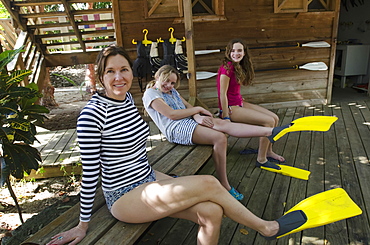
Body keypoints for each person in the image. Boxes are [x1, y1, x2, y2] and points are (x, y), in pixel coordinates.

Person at [47, 45, 305, 245]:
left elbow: (135, 151)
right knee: (208, 182)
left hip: (147, 178)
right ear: (101, 76)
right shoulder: (92, 114)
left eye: (124, 69)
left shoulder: (126, 100)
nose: (118, 77)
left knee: (212, 212)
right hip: (124, 196)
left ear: (131, 71)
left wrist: (165, 179)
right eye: (110, 71)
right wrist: (82, 225)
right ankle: (266, 227)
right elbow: (91, 171)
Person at [142, 65, 289, 201]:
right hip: (176, 129)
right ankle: (224, 185)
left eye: (173, 83)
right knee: (219, 138)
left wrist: (196, 116)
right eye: (167, 81)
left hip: (189, 121)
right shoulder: (151, 93)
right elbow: (172, 115)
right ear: (158, 76)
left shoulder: (172, 91)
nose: (169, 86)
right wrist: (198, 111)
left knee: (223, 124)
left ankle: (270, 131)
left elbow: (187, 105)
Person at [217, 38, 284, 169]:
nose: (236, 53)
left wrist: (241, 99)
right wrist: (225, 117)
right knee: (268, 122)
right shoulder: (227, 68)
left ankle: (268, 151)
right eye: (233, 51)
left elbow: (233, 90)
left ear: (244, 52)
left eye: (239, 50)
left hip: (239, 102)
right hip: (230, 108)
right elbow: (222, 94)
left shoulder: (238, 66)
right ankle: (261, 159)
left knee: (275, 118)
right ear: (228, 52)